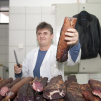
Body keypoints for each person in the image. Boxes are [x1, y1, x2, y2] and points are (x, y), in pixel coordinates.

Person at [14, 22, 81, 80]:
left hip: (55, 91)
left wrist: (75, 44)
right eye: (39, 33)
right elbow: (24, 76)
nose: (41, 36)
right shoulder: (30, 54)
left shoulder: (58, 51)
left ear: (52, 36)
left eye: (45, 33)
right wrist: (18, 72)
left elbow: (72, 61)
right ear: (37, 36)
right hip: (35, 92)